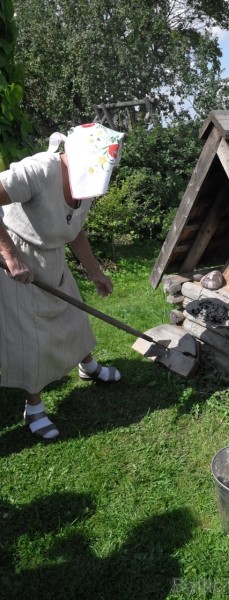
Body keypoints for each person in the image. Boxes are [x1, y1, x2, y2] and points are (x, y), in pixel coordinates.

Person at [0, 122, 125, 441]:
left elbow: (74, 229)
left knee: (74, 316)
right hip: (19, 262)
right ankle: (34, 406)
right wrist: (11, 255)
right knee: (32, 338)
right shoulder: (38, 171)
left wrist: (95, 271)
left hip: (52, 257)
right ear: (71, 155)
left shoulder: (87, 183)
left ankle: (88, 367)